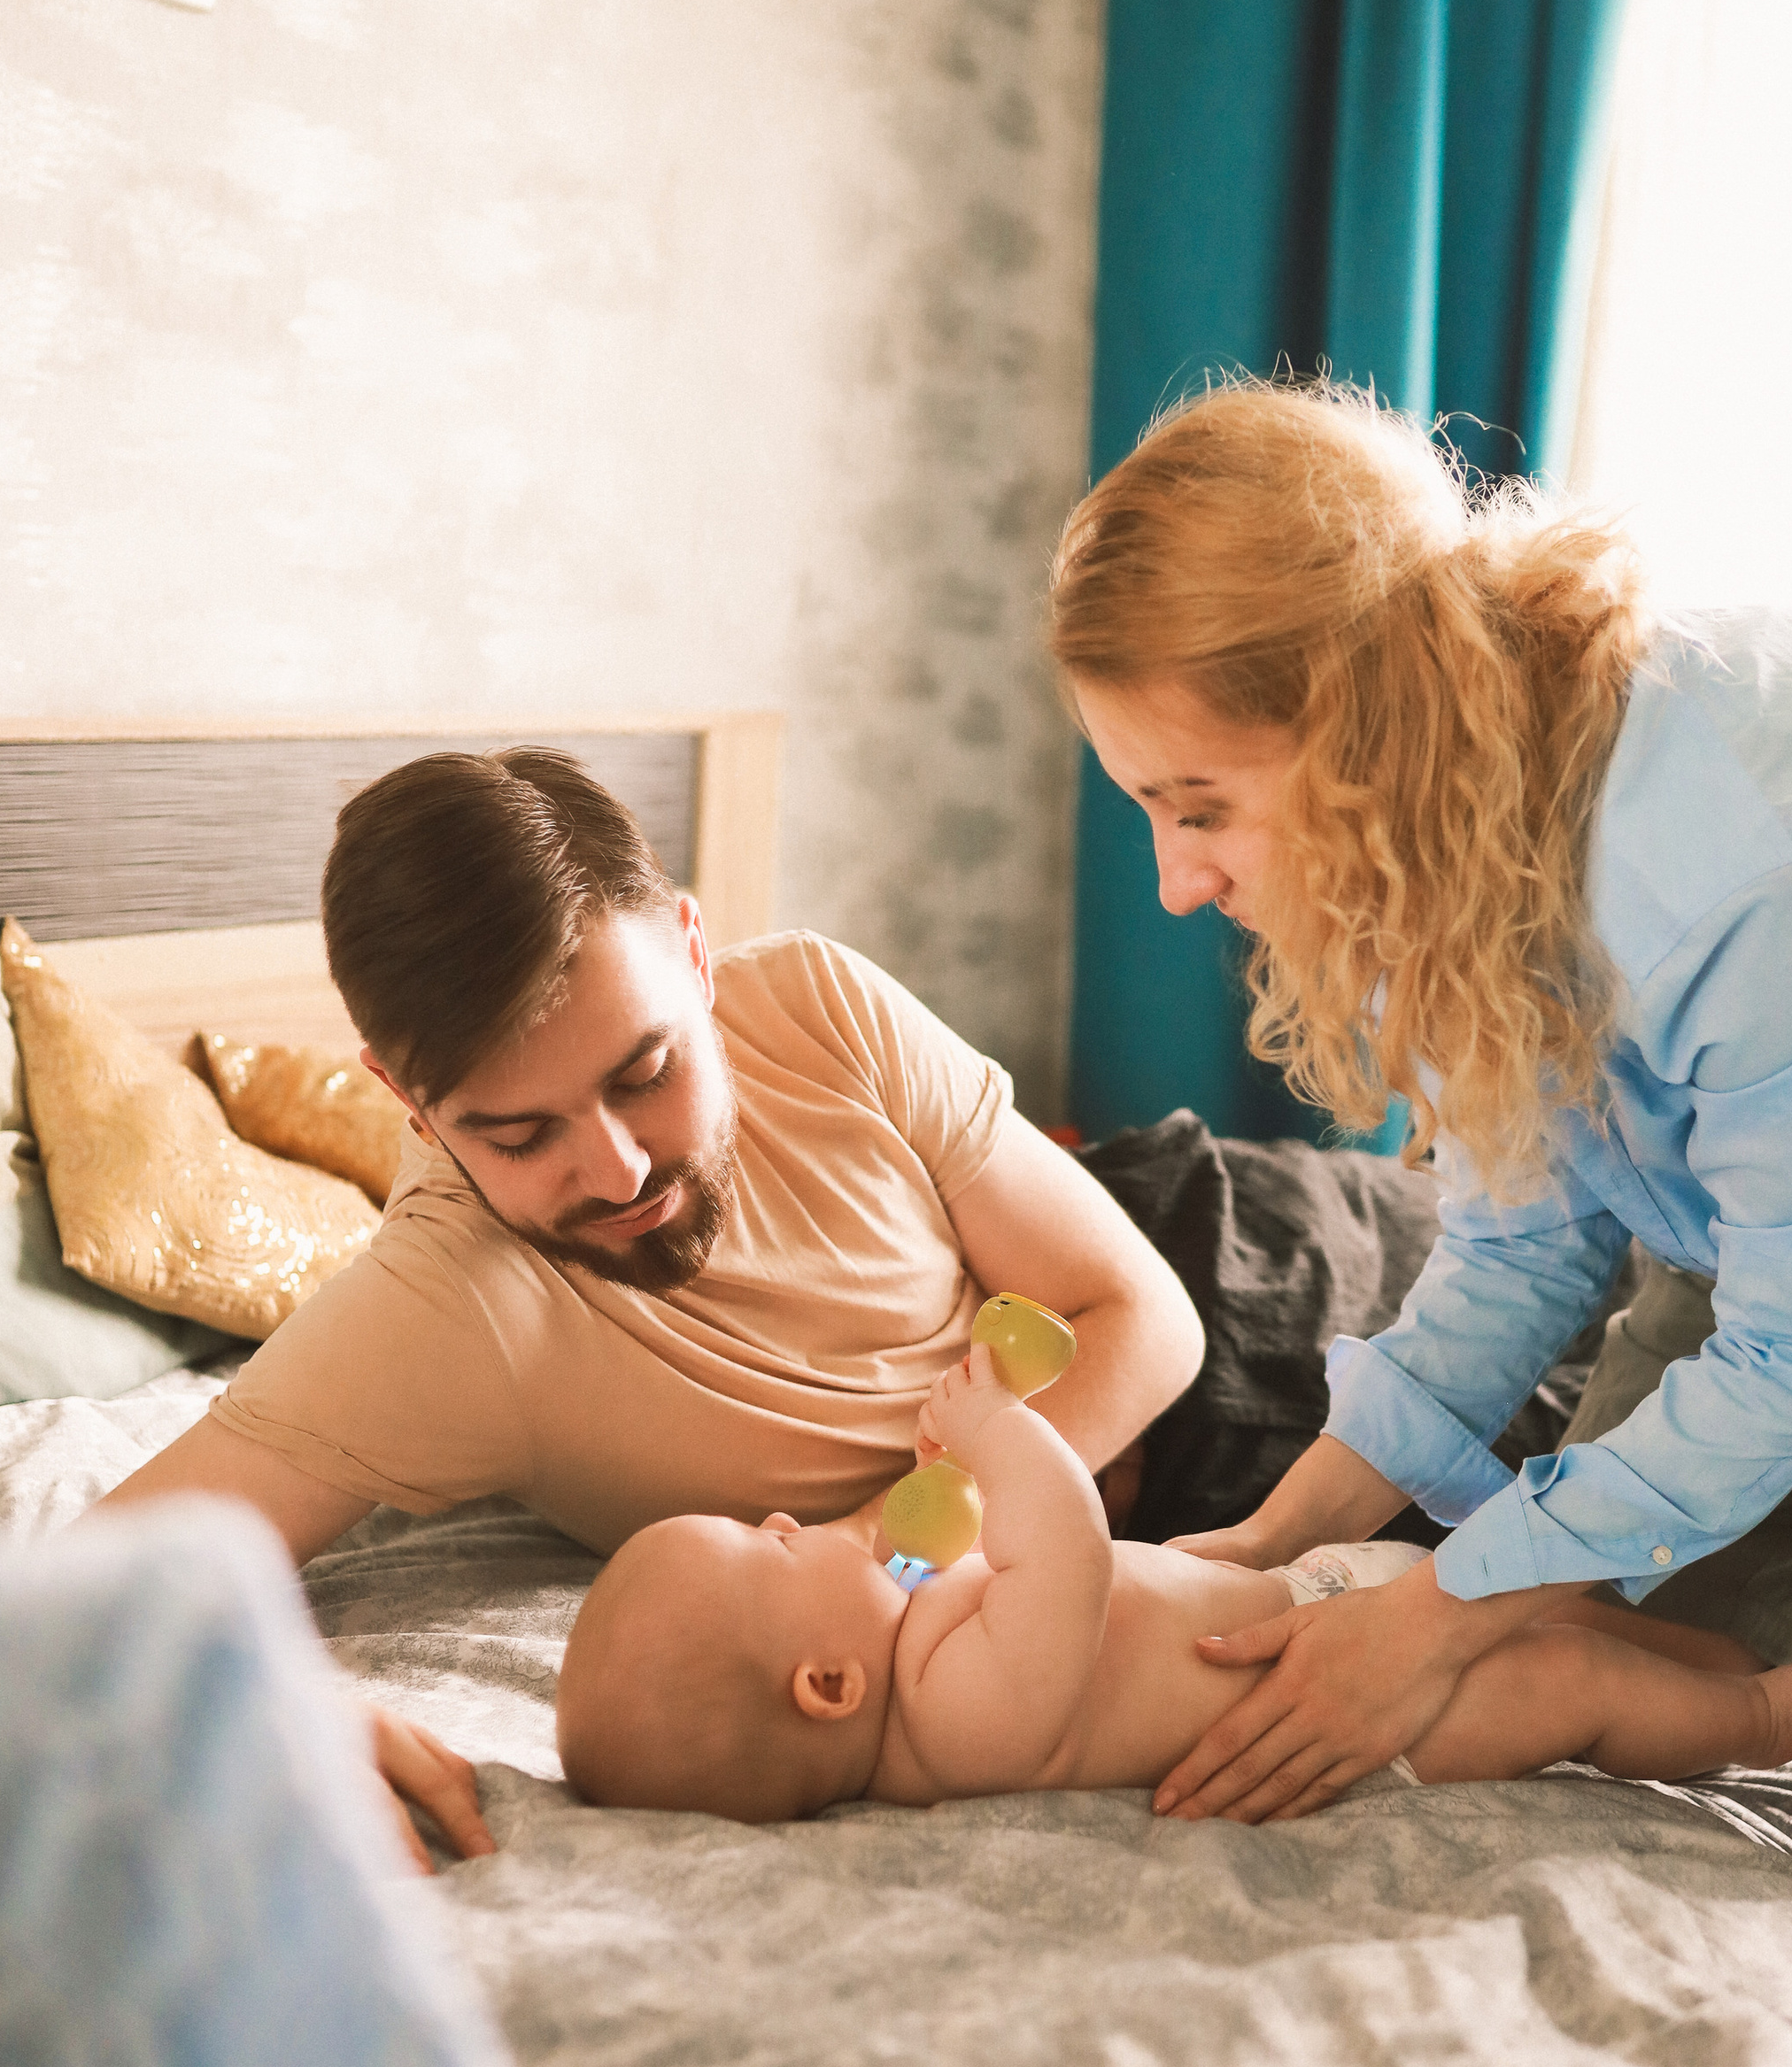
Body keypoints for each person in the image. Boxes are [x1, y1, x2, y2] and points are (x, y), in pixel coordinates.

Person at [1045, 378, 1792, 1917]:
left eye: (1198, 808)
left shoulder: (1750, 835)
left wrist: (1430, 1615)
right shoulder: (1434, 836)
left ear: (1361, 732)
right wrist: (1283, 1533)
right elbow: (1522, 1238)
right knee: (1583, 1667)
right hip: (1781, 1261)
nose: (1173, 882)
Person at [97, 748, 1205, 1864]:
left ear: (691, 951)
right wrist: (273, 1703)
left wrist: (892, 1545)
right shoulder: (450, 1307)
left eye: (646, 1074)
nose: (622, 1170)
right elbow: (101, 1574)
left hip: (1198, 1232)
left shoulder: (820, 1004)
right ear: (411, 1106)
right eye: (521, 1135)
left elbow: (1143, 1313)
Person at [555, 1339, 1792, 1823]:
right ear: (827, 1686)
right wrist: (1008, 1438)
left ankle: (1720, 1672)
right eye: (764, 1548)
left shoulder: (899, 1630)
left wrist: (939, 1492)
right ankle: (1768, 1725)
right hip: (1362, 1725)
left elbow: (937, 1549)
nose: (788, 1521)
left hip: (1316, 1599)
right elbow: (1058, 1551)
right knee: (1570, 1680)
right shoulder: (954, 1721)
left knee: (1581, 1617)